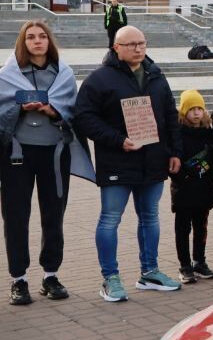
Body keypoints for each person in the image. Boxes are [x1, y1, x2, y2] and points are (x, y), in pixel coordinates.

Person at [72, 27, 183, 302]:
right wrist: (118, 140)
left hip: (154, 160)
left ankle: (150, 272)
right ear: (116, 48)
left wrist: (175, 152)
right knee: (110, 219)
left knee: (150, 218)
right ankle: (110, 278)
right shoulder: (99, 79)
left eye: (141, 43)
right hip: (117, 162)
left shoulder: (156, 75)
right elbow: (84, 118)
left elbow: (170, 114)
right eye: (131, 44)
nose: (137, 48)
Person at [0, 21, 91, 305]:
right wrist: (19, 107)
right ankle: (19, 279)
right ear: (22, 42)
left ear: (49, 41)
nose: (37, 41)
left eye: (42, 36)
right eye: (30, 37)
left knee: (54, 214)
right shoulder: (6, 76)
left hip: (54, 154)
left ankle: (51, 274)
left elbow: (74, 114)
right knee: (15, 216)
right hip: (17, 156)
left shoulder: (63, 74)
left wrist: (54, 111)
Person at [171, 90, 213, 284]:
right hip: (183, 190)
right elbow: (171, 160)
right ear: (184, 112)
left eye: (199, 108)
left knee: (201, 227)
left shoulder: (210, 134)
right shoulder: (177, 134)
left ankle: (199, 261)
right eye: (191, 109)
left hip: (204, 189)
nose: (196, 113)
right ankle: (185, 265)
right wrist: (181, 176)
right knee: (182, 229)